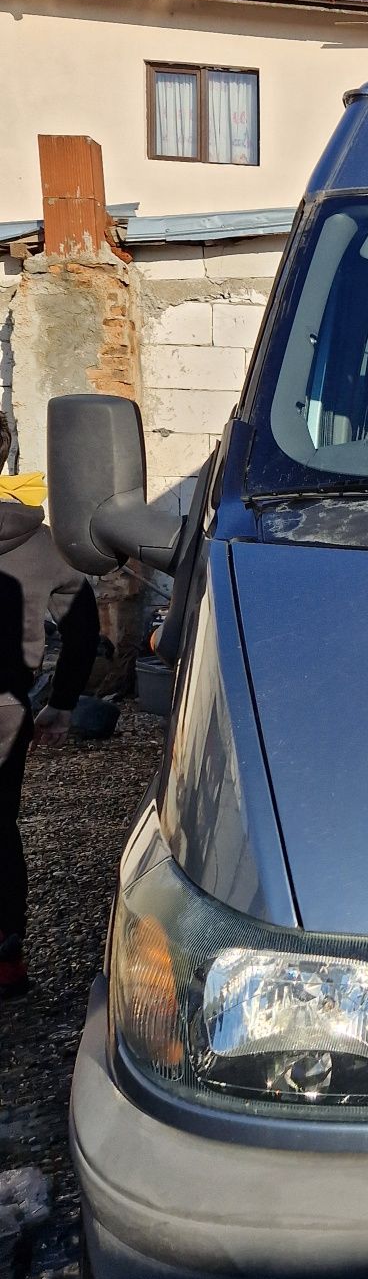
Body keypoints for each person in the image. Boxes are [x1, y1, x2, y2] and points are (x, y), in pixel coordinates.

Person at [0, 426, 100, 999]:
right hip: (6, 707)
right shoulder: (42, 544)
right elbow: (84, 631)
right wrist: (61, 706)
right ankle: (6, 961)